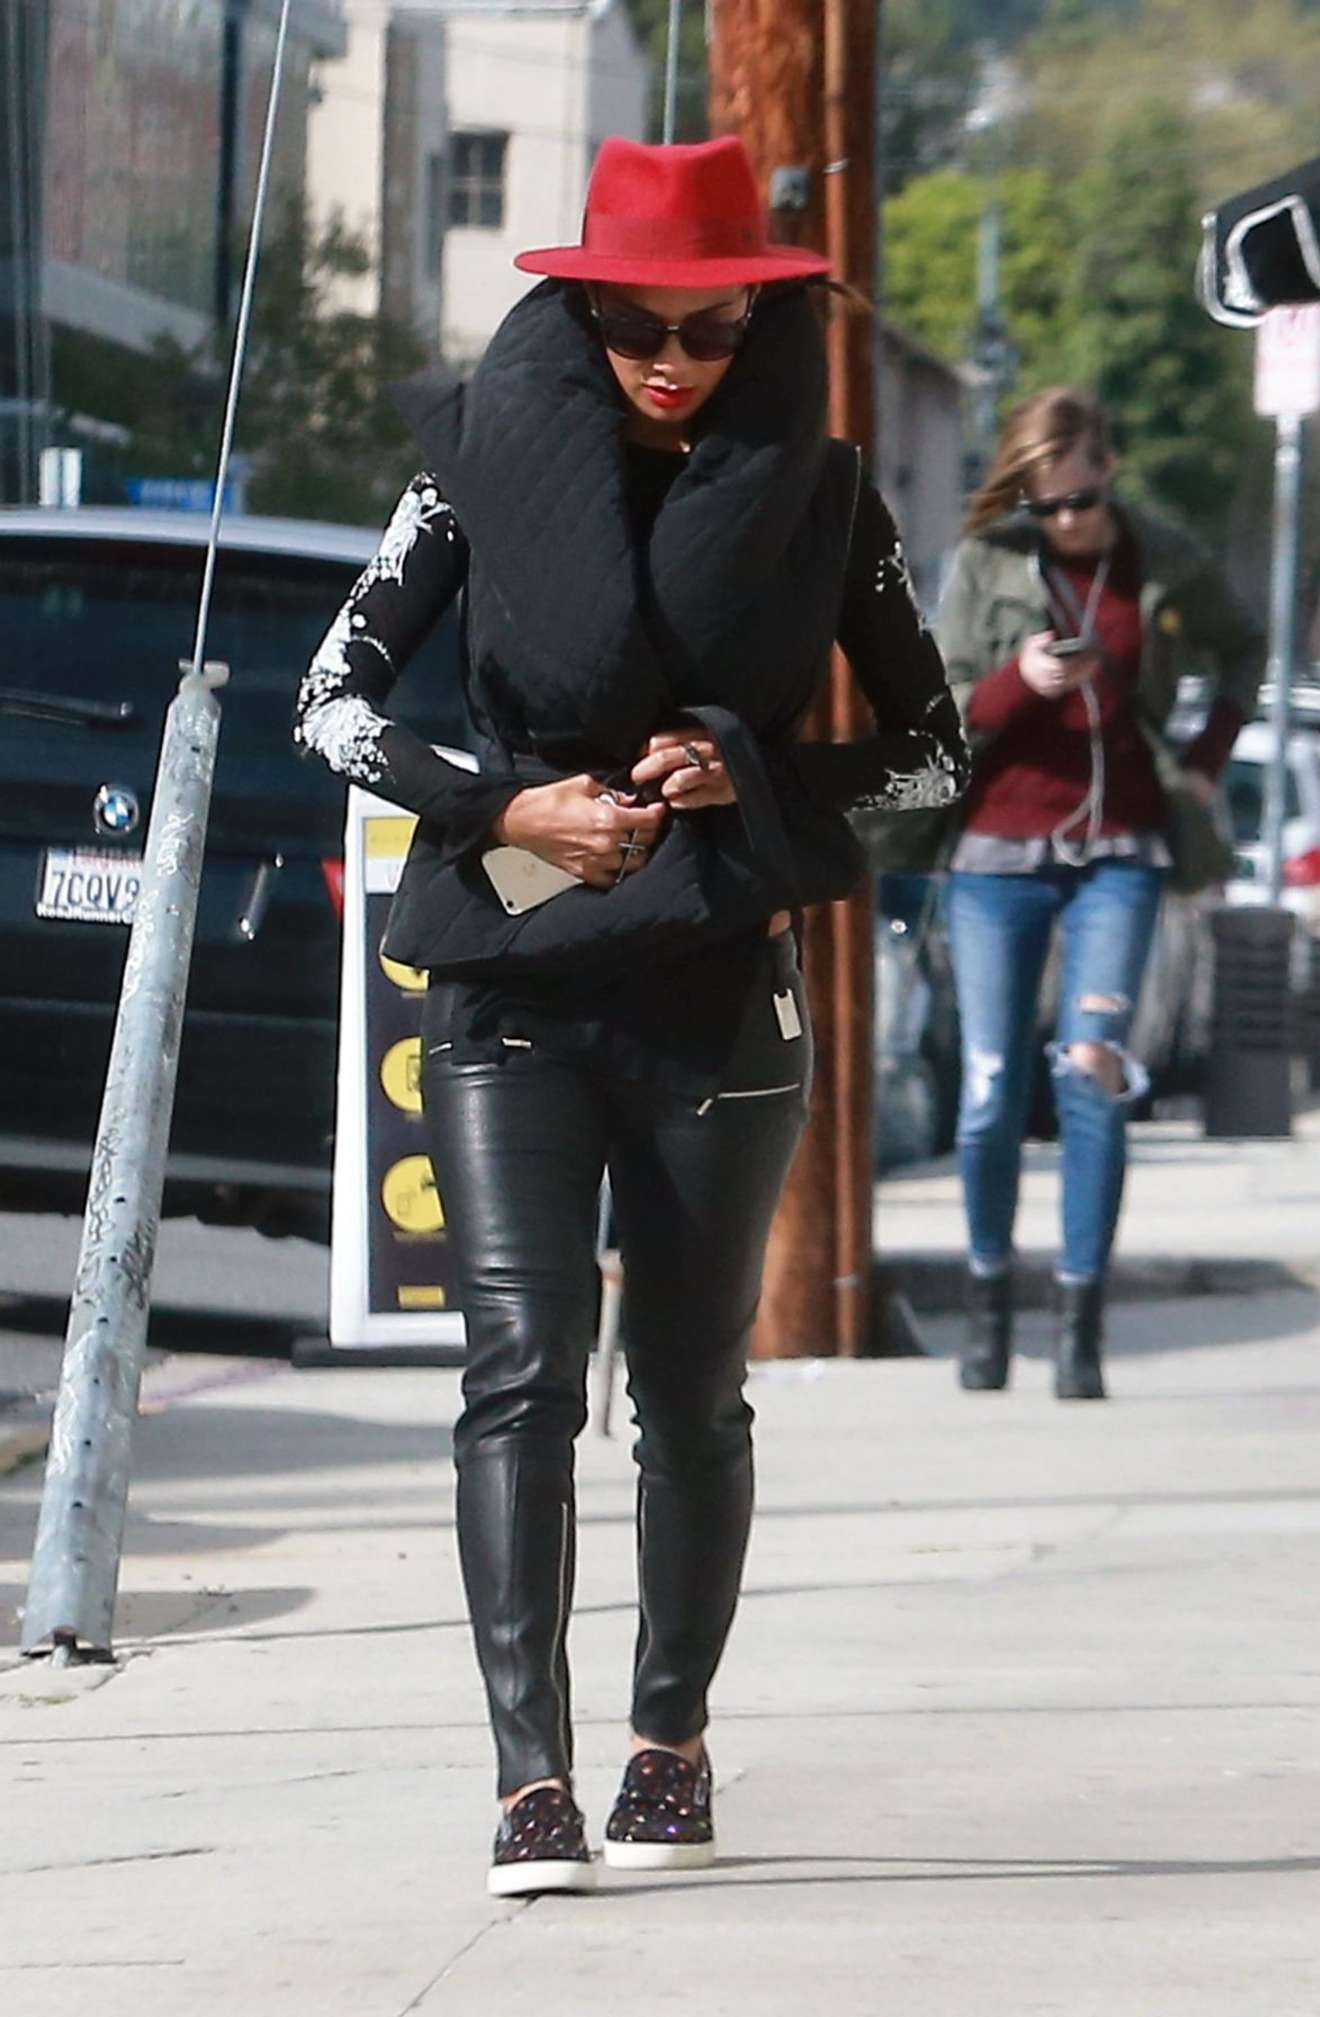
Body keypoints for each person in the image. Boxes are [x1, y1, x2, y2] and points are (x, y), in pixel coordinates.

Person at [294, 135, 968, 1894]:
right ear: (577, 311)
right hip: (512, 973)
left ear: (764, 326)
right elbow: (329, 705)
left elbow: (933, 756)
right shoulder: (470, 471)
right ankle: (529, 1779)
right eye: (634, 324)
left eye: (713, 329)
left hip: (714, 987)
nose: (672, 360)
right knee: (519, 1375)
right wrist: (500, 802)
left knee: (689, 1389)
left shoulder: (828, 500)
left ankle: (669, 1741)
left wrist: (754, 772)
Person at [935, 387, 1264, 1401]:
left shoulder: (1162, 557)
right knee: (991, 1090)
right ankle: (989, 1303)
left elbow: (1243, 647)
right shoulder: (986, 560)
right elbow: (939, 705)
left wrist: (1205, 761)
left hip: (1121, 852)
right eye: (1044, 505)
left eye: (1079, 500)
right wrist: (1017, 681)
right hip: (995, 857)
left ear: (1109, 473)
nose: (1064, 521)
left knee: (1093, 1075)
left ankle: (1082, 1324)